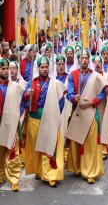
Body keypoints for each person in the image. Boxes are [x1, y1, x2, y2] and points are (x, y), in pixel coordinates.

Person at [22, 56, 66, 187]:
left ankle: (50, 175)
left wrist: (55, 116)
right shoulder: (31, 82)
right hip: (34, 119)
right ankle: (39, 171)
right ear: (38, 68)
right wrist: (27, 95)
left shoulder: (55, 83)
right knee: (37, 147)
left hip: (49, 120)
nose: (45, 69)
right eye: (42, 67)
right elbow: (24, 102)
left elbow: (61, 102)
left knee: (49, 146)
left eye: (46, 67)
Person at [65, 49, 107, 184]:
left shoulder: (95, 76)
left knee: (90, 144)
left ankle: (89, 171)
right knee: (77, 141)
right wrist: (73, 97)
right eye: (82, 58)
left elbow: (103, 92)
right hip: (77, 112)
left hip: (91, 113)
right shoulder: (72, 75)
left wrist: (92, 102)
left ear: (89, 60)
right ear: (78, 60)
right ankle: (77, 167)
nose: (84, 60)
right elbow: (69, 92)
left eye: (86, 58)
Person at [0, 58, 25, 192]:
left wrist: (16, 115)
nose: (6, 71)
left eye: (7, 68)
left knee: (12, 152)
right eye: (3, 69)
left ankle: (14, 179)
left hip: (11, 124)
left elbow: (22, 103)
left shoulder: (15, 86)